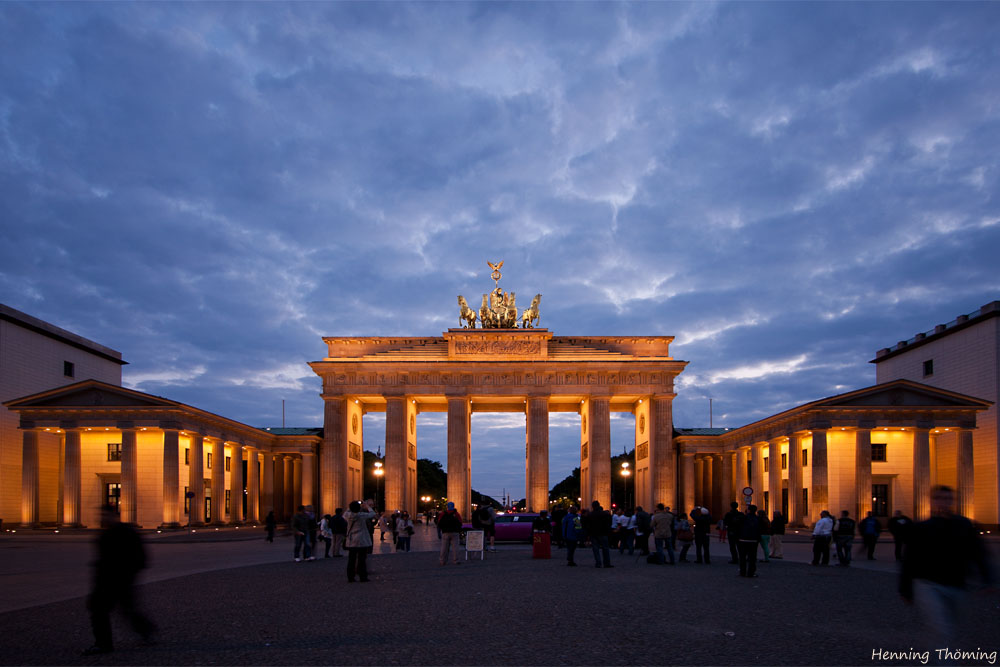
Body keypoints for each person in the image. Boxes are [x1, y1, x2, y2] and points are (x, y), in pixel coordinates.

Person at [900, 485, 993, 647]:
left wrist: (988, 578)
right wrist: (905, 589)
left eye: (947, 499)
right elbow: (909, 560)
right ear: (932, 501)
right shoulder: (922, 527)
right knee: (941, 629)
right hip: (928, 585)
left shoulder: (964, 525)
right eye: (939, 498)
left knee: (948, 630)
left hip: (956, 585)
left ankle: (936, 657)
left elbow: (979, 552)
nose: (943, 502)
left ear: (952, 501)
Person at [82, 506, 156, 655]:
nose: (102, 518)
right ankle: (145, 630)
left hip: (120, 579)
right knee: (118, 609)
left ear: (114, 515)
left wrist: (130, 573)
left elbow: (140, 556)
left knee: (111, 610)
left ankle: (104, 644)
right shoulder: (106, 534)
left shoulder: (126, 532)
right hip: (109, 580)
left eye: (105, 515)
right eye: (101, 515)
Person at [344, 499, 376, 582]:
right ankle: (362, 576)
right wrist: (367, 506)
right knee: (362, 559)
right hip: (361, 540)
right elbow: (372, 514)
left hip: (351, 540)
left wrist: (350, 507)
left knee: (351, 559)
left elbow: (345, 513)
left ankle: (350, 577)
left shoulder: (347, 515)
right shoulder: (361, 515)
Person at [584, 501, 613, 568]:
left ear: (593, 506)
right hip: (603, 533)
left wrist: (588, 534)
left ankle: (598, 563)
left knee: (595, 549)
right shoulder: (605, 514)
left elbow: (587, 525)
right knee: (605, 548)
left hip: (593, 533)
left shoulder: (590, 514)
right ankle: (607, 563)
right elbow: (609, 523)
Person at [736, 504, 762, 578]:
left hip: (743, 540)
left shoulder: (743, 518)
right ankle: (751, 572)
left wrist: (738, 536)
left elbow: (737, 526)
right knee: (752, 558)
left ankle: (742, 572)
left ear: (748, 510)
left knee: (742, 557)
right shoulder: (758, 519)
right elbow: (760, 529)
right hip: (753, 540)